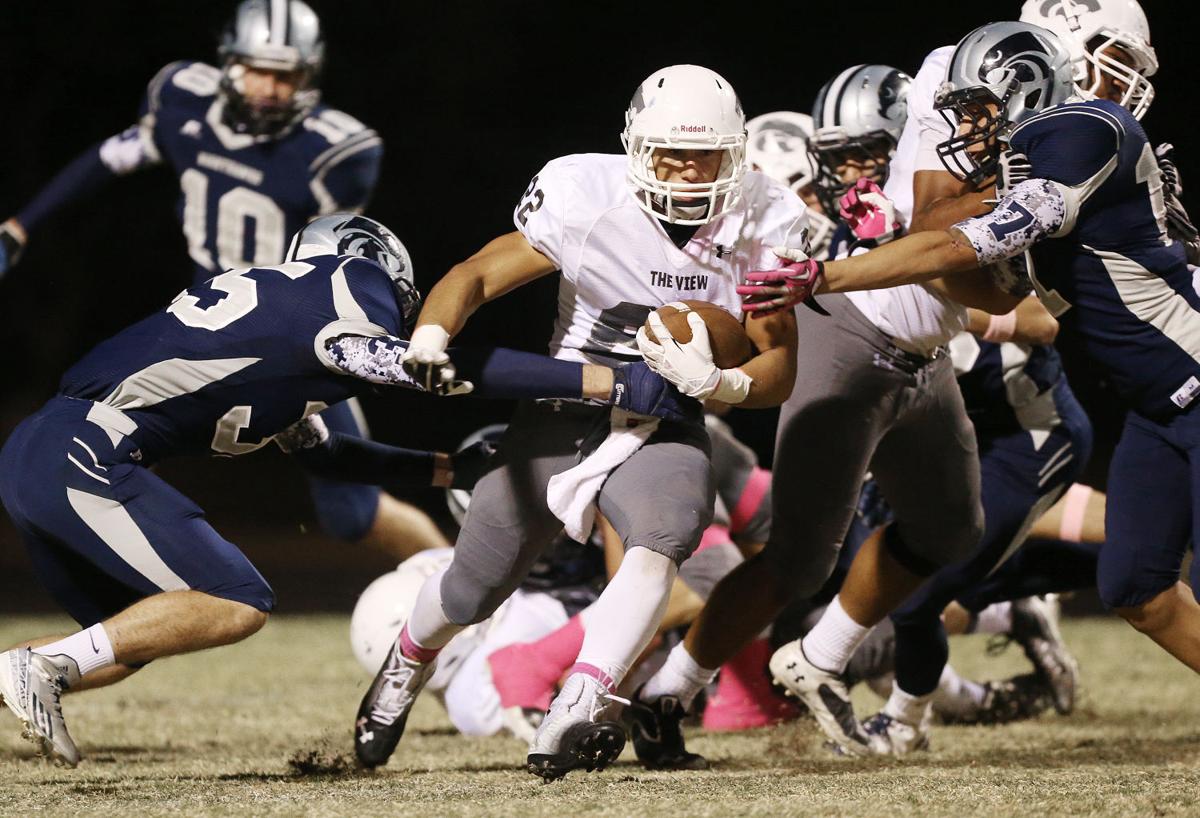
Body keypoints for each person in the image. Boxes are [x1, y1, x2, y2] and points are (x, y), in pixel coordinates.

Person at [0, 214, 690, 767]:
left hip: (45, 450)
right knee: (236, 602)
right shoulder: (347, 284)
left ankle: (28, 669)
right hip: (87, 453)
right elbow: (424, 364)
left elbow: (329, 457)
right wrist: (607, 381)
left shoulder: (275, 324)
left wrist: (448, 468)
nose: (406, 312)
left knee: (132, 640)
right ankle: (40, 665)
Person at [351, 64, 805, 781]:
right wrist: (431, 337)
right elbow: (474, 274)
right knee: (477, 585)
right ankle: (407, 661)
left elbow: (780, 363)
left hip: (668, 414)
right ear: (636, 147)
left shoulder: (767, 216)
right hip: (569, 406)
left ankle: (584, 696)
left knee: (667, 534)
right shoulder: (585, 195)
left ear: (737, 152)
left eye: (706, 154)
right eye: (671, 153)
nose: (689, 171)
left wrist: (722, 381)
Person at [747, 18, 1200, 694]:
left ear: (1024, 91)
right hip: (1154, 409)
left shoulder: (1088, 131)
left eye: (980, 111)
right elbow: (966, 262)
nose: (968, 130)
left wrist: (825, 275)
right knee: (1136, 585)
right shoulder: (1032, 158)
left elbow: (965, 246)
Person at [629, 58, 1015, 764]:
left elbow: (992, 288)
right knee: (798, 560)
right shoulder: (817, 219)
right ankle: (667, 694)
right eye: (841, 157)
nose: (856, 171)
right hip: (846, 343)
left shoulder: (934, 176)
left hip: (922, 362)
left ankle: (819, 656)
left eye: (872, 153)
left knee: (952, 528)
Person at [0, 0, 437, 561]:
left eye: (286, 75)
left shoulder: (337, 150)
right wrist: (21, 225)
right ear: (229, 61)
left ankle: (463, 598)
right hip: (206, 320)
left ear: (309, 75)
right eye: (258, 69)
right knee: (109, 438)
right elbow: (111, 158)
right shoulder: (181, 95)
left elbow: (334, 250)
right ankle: (121, 597)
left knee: (351, 511)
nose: (271, 88)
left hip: (292, 329)